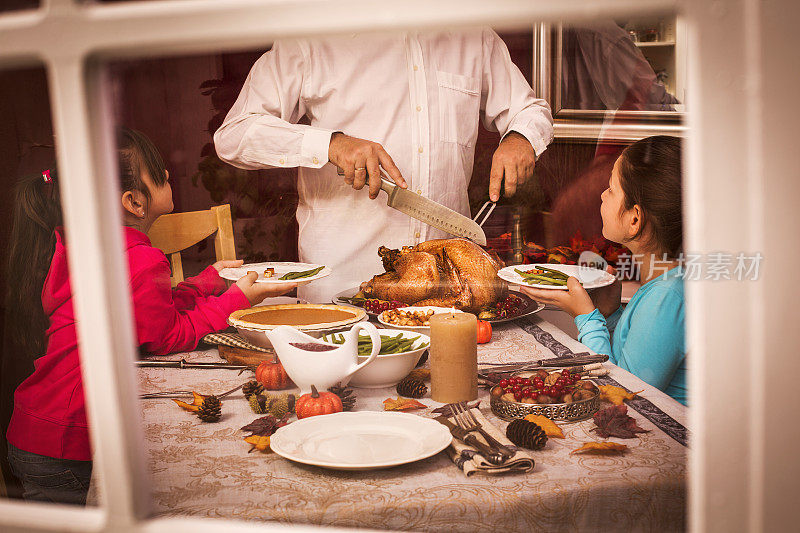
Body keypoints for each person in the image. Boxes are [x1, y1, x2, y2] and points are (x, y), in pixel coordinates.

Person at [4, 128, 295, 505]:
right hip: (66, 442)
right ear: (134, 202)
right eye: (159, 173)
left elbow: (149, 312)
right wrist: (236, 299)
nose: (169, 175)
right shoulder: (139, 260)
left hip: (38, 426)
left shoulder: (92, 250)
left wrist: (208, 282)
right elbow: (168, 336)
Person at [214, 29, 554, 303]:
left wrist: (520, 138)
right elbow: (235, 135)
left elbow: (530, 110)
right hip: (344, 285)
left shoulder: (472, 34)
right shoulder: (313, 33)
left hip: (447, 289)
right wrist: (330, 144)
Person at [521, 136, 687, 405]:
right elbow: (626, 360)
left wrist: (586, 317)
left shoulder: (667, 298)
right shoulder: (664, 284)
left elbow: (622, 396)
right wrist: (609, 314)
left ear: (634, 219)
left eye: (611, 189)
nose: (602, 195)